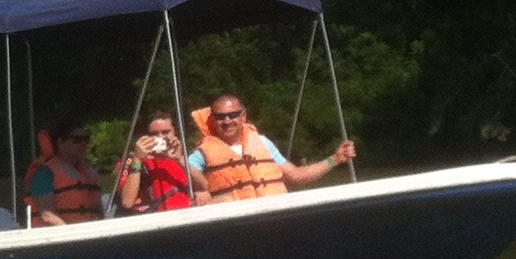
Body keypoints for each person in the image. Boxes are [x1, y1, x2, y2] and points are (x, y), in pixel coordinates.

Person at [188, 94, 356, 203]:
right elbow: (184, 174)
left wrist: (336, 159)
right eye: (220, 116)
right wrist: (200, 190)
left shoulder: (261, 142)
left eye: (233, 115)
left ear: (243, 116)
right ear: (213, 120)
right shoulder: (203, 153)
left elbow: (297, 175)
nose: (227, 121)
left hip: (274, 216)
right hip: (237, 222)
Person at [24, 124, 104, 226]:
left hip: (90, 232)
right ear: (60, 143)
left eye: (86, 139)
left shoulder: (90, 172)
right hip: (56, 234)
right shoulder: (45, 173)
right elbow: (47, 215)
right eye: (77, 140)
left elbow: (99, 210)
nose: (83, 144)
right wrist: (71, 232)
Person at [115, 111, 192, 213]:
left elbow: (204, 186)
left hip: (188, 215)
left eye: (165, 132)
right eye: (154, 134)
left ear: (175, 131)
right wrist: (137, 159)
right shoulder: (133, 161)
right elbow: (127, 202)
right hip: (157, 217)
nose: (160, 137)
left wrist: (179, 158)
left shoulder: (180, 158)